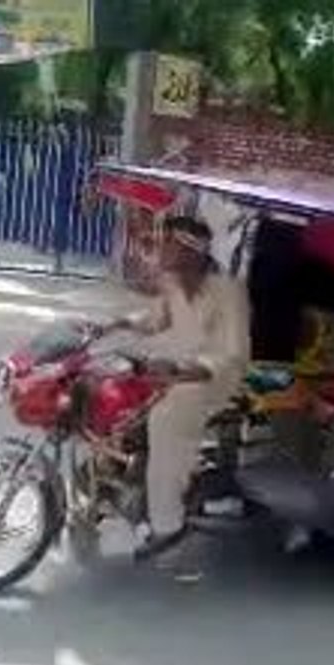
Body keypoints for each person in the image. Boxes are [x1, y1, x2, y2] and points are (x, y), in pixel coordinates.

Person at [112, 215, 250, 556]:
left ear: (192, 252)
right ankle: (122, 489)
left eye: (169, 242)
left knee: (166, 417)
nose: (160, 248)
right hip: (174, 371)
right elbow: (155, 319)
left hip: (214, 381)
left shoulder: (229, 293)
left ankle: (167, 523)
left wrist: (186, 372)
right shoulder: (173, 284)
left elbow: (233, 354)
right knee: (114, 396)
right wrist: (113, 325)